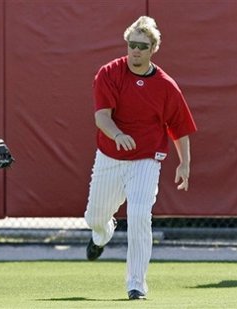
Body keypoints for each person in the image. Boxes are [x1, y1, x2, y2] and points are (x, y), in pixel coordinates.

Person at [84, 16, 197, 300]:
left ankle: (136, 284)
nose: (135, 50)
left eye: (142, 46)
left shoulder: (166, 85)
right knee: (94, 217)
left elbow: (179, 127)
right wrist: (118, 135)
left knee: (139, 216)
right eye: (131, 44)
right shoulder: (109, 73)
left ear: (152, 49)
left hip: (146, 160)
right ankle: (102, 233)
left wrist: (185, 163)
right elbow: (101, 118)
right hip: (110, 156)